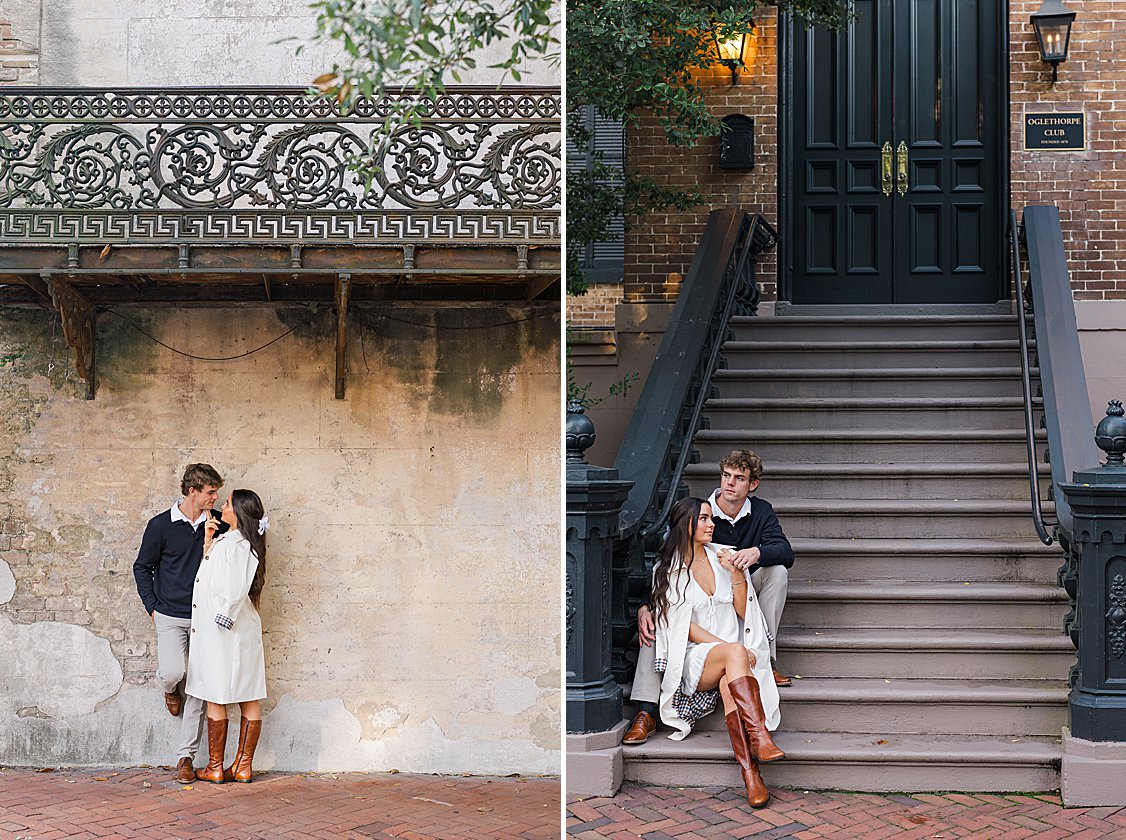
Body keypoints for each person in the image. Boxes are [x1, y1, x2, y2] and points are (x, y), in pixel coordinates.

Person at [625, 450, 794, 746]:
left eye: (739, 478)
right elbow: (666, 562)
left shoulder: (761, 511)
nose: (730, 484)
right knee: (659, 621)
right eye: (726, 476)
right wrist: (646, 604)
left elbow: (785, 552)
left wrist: (757, 553)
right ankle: (646, 710)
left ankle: (767, 655)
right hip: (697, 594)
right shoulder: (699, 512)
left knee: (777, 571)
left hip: (738, 587)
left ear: (752, 484)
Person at [649, 496, 783, 807]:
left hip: (732, 661)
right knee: (732, 657)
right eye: (705, 519)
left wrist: (735, 573)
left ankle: (751, 774)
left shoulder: (726, 557)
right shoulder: (668, 570)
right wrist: (729, 648)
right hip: (697, 656)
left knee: (729, 683)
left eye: (711, 518)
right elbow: (683, 627)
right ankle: (760, 737)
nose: (712, 524)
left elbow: (743, 611)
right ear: (687, 525)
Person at [133, 463, 227, 784]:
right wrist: (152, 608)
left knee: (198, 689)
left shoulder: (217, 526)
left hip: (204, 618)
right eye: (211, 492)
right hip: (169, 615)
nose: (216, 497)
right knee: (174, 672)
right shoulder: (160, 525)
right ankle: (170, 689)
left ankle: (185, 756)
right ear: (193, 492)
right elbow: (142, 567)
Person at [186, 488, 269, 784]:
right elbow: (212, 576)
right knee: (245, 693)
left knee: (217, 693)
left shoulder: (238, 545)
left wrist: (222, 618)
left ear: (238, 511)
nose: (223, 505)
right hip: (233, 628)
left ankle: (217, 767)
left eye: (228, 503)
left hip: (224, 628)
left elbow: (233, 587)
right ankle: (238, 767)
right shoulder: (232, 541)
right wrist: (208, 542)